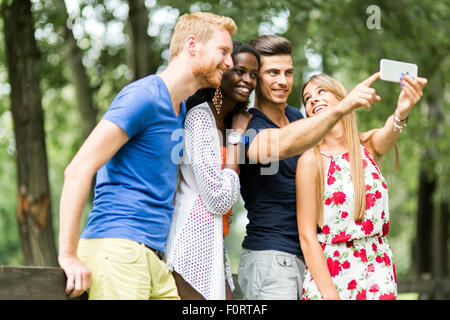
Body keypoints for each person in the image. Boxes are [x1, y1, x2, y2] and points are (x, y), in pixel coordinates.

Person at [57, 12, 237, 300]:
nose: (230, 63)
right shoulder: (144, 96)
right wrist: (68, 255)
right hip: (119, 249)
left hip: (155, 259)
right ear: (193, 45)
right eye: (223, 51)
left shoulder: (179, 113)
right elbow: (78, 169)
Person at [237, 35, 382, 300]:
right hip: (271, 260)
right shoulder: (249, 127)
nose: (283, 81)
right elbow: (279, 144)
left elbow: (343, 143)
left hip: (311, 258)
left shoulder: (295, 116)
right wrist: (342, 107)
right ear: (255, 79)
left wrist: (398, 119)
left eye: (288, 72)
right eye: (272, 73)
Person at [297, 73, 427, 300]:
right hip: (332, 276)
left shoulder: (367, 146)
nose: (313, 100)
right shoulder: (311, 160)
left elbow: (390, 131)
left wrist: (403, 110)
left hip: (377, 270)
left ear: (342, 98)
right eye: (308, 98)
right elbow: (307, 236)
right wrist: (331, 296)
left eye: (321, 92)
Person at [165, 41, 260, 300]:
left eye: (253, 74)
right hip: (191, 237)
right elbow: (218, 199)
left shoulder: (230, 121)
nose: (247, 80)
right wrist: (236, 138)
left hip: (213, 237)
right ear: (223, 70)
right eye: (240, 71)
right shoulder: (200, 117)